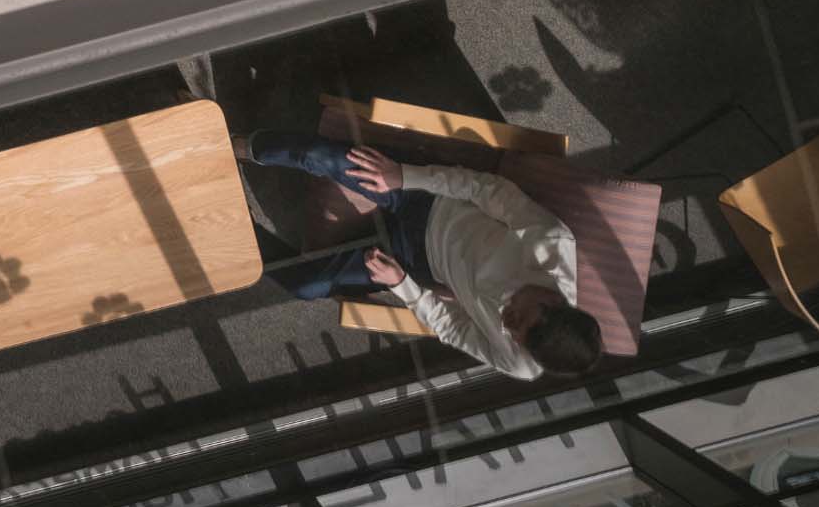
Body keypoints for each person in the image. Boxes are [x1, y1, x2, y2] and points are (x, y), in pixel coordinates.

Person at [238, 129, 602, 381]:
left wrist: (402, 285)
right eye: (521, 316)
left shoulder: (519, 364)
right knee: (317, 157)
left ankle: (232, 222)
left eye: (515, 333)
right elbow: (484, 188)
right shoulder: (551, 245)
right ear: (554, 298)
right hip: (428, 199)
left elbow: (451, 328)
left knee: (306, 285)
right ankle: (235, 144)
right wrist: (403, 176)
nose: (508, 321)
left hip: (416, 261)